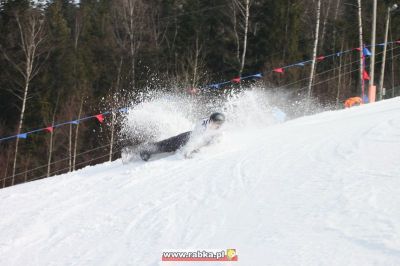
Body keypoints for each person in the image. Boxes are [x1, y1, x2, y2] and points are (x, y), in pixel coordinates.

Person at [139, 112, 225, 161]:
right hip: (186, 139)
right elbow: (195, 140)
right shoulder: (203, 127)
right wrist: (186, 153)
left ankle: (148, 148)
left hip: (190, 136)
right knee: (166, 145)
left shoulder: (217, 130)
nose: (212, 124)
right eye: (212, 121)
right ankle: (146, 150)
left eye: (215, 123)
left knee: (167, 144)